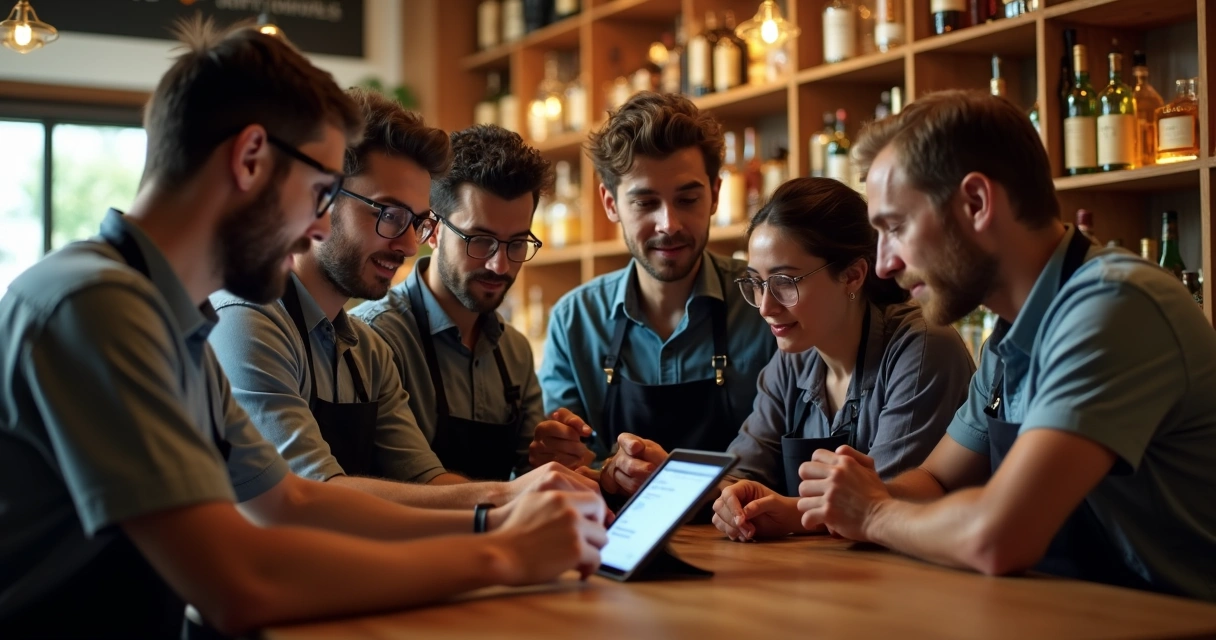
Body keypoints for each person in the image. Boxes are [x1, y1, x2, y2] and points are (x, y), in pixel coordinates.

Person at [0, 21, 605, 638]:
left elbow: (292, 499)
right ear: (250, 160)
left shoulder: (173, 321)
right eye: (319, 192)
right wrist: (501, 553)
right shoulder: (96, 304)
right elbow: (239, 581)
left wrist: (496, 521)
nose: (317, 229)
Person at [796, 90, 1216, 601]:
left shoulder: (1114, 305)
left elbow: (999, 537)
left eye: (897, 227)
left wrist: (874, 513)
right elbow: (938, 481)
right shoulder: (1010, 334)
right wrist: (822, 506)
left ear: (976, 203)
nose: (885, 264)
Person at [210, 94, 593, 508]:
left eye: (416, 222)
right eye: (389, 215)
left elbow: (426, 482)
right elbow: (307, 496)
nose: (410, 245)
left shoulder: (366, 350)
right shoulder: (245, 322)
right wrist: (510, 502)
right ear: (318, 197)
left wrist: (556, 490)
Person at [531, 92, 777, 493]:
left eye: (688, 199)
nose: (669, 224)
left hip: (740, 526)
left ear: (715, 194)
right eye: (645, 202)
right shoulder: (575, 320)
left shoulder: (765, 306)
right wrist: (592, 465)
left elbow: (782, 453)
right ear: (611, 204)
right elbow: (566, 466)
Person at [352, 124, 577, 482]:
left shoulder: (514, 352)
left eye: (517, 244)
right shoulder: (374, 339)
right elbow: (411, 483)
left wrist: (555, 456)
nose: (499, 265)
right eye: (480, 240)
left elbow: (530, 475)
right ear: (432, 230)